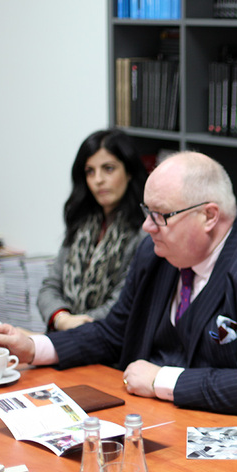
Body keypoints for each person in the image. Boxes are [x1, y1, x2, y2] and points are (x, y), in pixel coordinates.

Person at [0, 151, 237, 433]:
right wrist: (34, 346)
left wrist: (160, 379)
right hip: (164, 422)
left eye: (161, 215)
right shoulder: (157, 253)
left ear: (209, 216)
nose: (148, 227)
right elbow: (114, 332)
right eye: (146, 213)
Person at [37, 129, 148, 331]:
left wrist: (76, 325)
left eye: (108, 169)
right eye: (90, 171)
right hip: (64, 332)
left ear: (129, 171)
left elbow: (122, 303)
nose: (98, 180)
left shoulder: (144, 231)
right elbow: (50, 286)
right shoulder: (81, 222)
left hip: (109, 342)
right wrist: (61, 318)